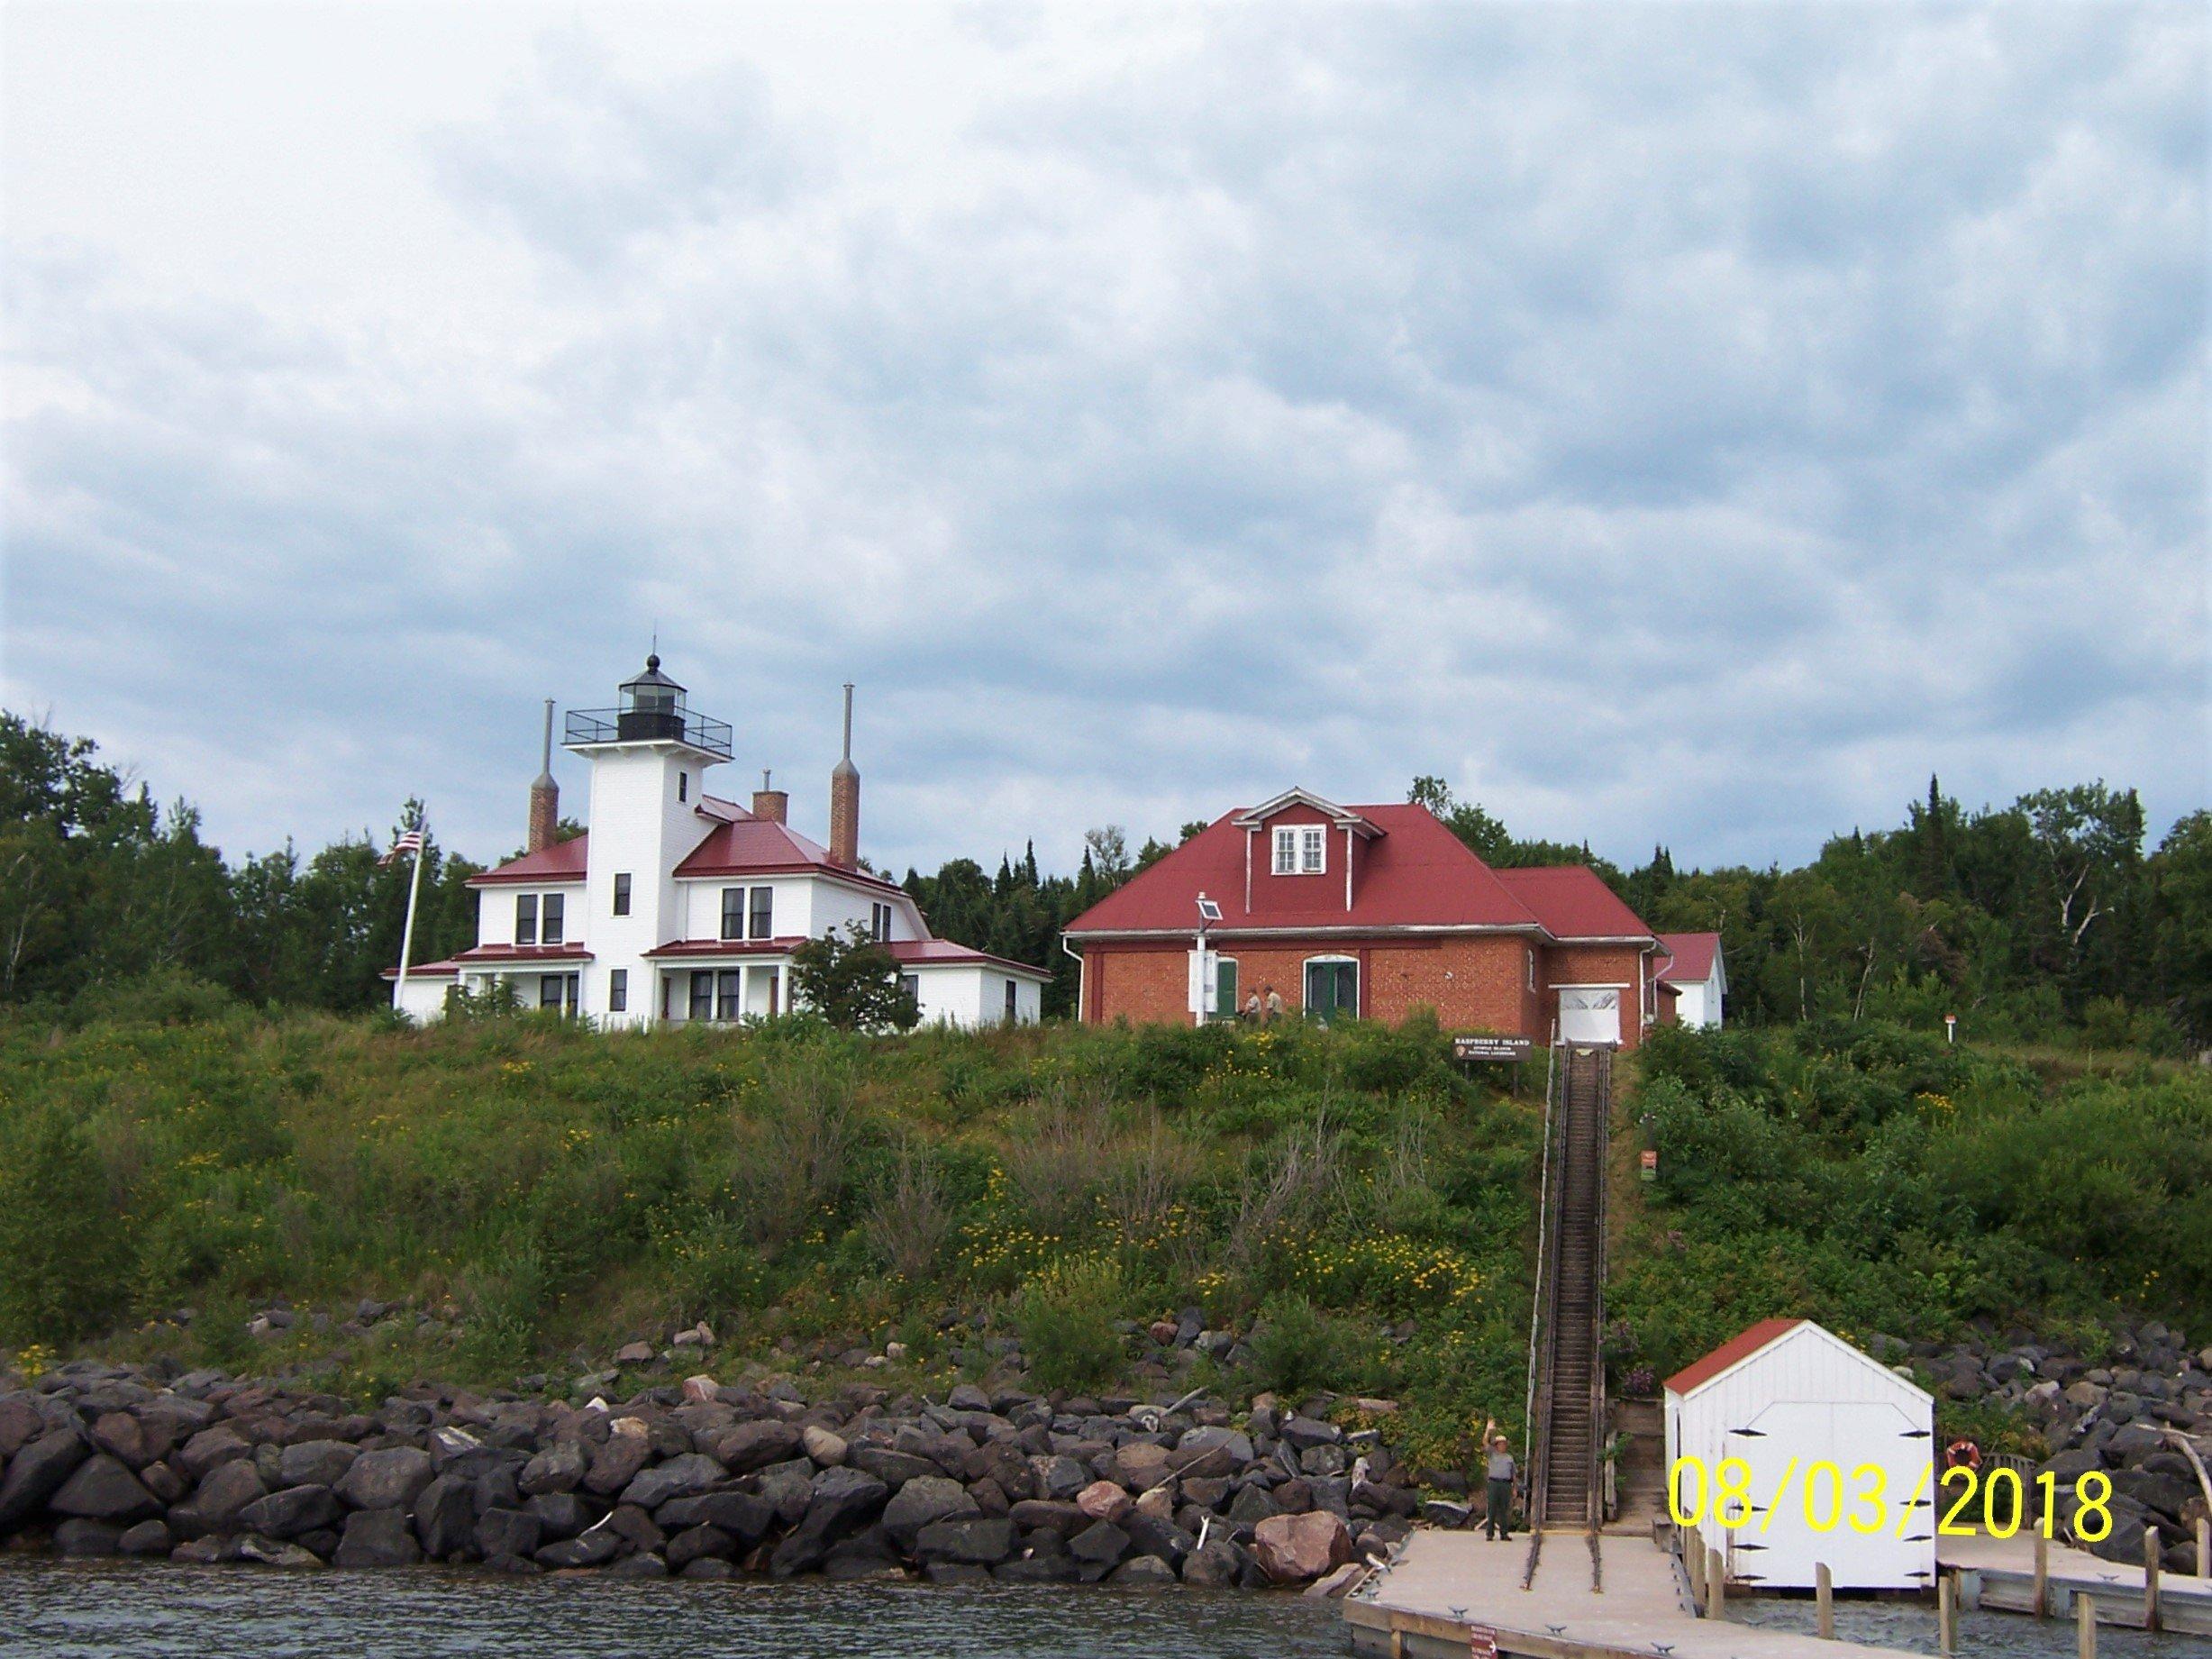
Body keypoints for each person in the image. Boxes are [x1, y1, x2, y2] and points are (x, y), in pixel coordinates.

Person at [1484, 1430, 1516, 1540]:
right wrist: (1488, 1431)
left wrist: (1514, 1488)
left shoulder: (1509, 1458)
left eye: (1504, 1444)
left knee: (1504, 1509)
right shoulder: (1492, 1454)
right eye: (1501, 1444)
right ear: (1497, 1445)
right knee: (1492, 1509)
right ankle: (1489, 1533)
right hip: (1494, 1483)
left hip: (1505, 1484)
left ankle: (1504, 1533)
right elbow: (1484, 1442)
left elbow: (1513, 1474)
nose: (1503, 1446)